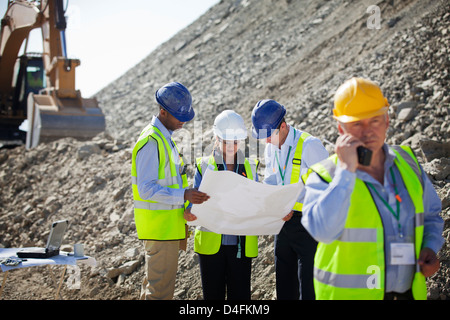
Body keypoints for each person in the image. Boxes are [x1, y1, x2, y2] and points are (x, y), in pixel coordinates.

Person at [301, 77, 444, 300]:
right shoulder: (325, 175)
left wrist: (430, 246)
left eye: (374, 120)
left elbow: (431, 215)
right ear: (341, 128)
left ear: (387, 121)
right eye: (357, 123)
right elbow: (322, 231)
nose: (367, 131)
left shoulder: (408, 164)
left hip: (408, 293)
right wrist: (346, 172)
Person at [131, 82, 209, 300]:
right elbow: (146, 189)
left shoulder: (164, 139)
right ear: (162, 111)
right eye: (178, 116)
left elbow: (171, 181)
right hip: (160, 230)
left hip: (166, 228)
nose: (182, 121)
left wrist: (185, 203)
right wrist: (183, 195)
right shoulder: (151, 141)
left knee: (154, 288)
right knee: (159, 293)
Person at [251, 100, 329, 300]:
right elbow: (271, 180)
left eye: (268, 136)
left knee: (308, 288)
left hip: (308, 226)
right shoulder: (271, 148)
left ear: (283, 127)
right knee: (285, 286)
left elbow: (327, 187)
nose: (266, 142)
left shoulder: (310, 146)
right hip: (283, 224)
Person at [184, 110, 259, 300]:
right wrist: (190, 211)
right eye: (227, 142)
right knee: (213, 297)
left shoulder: (250, 166)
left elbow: (258, 200)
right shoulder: (204, 165)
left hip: (240, 246)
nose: (232, 147)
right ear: (217, 138)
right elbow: (195, 202)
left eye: (236, 142)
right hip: (211, 246)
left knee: (240, 299)